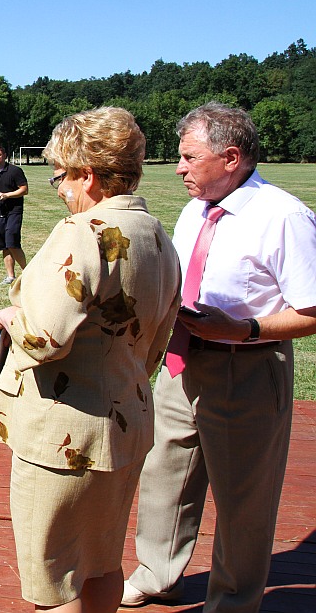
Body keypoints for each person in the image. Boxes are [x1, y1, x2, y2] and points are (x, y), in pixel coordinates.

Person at [0, 107, 180, 612]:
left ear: (88, 175)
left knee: (55, 583)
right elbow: (157, 341)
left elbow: (47, 337)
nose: (61, 191)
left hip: (64, 440)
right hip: (128, 426)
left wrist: (9, 317)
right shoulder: (160, 235)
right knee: (102, 564)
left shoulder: (82, 231)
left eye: (61, 178)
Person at [122, 102, 316, 612]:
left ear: (231, 157)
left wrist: (244, 329)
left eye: (188, 157)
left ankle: (233, 600)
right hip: (183, 363)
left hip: (248, 368)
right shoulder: (195, 210)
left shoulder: (285, 216)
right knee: (164, 473)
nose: (179, 167)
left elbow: (313, 310)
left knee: (242, 500)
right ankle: (157, 573)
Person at [0, 146, 28, 285]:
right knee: (4, 245)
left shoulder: (15, 171)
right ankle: (10, 276)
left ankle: (27, 273)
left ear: (4, 155)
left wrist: (7, 195)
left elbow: (24, 190)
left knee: (12, 243)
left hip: (14, 211)